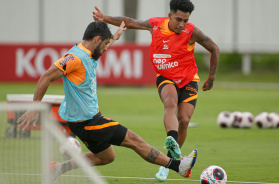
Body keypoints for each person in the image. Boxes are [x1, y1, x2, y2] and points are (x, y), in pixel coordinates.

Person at [17, 21, 198, 183]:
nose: (105, 49)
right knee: (134, 140)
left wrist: (116, 35)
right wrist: (35, 107)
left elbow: (104, 45)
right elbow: (45, 77)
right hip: (87, 122)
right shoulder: (75, 58)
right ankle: (178, 166)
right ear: (97, 39)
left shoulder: (90, 52)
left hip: (86, 119)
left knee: (106, 157)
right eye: (104, 44)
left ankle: (57, 169)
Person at [93, 0, 219, 181]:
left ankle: (170, 160)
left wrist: (212, 78)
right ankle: (172, 144)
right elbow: (129, 21)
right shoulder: (155, 25)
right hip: (165, 77)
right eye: (178, 19)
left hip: (188, 79)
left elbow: (214, 48)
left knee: (184, 119)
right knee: (170, 103)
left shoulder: (192, 31)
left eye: (185, 20)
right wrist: (104, 18)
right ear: (170, 15)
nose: (182, 24)